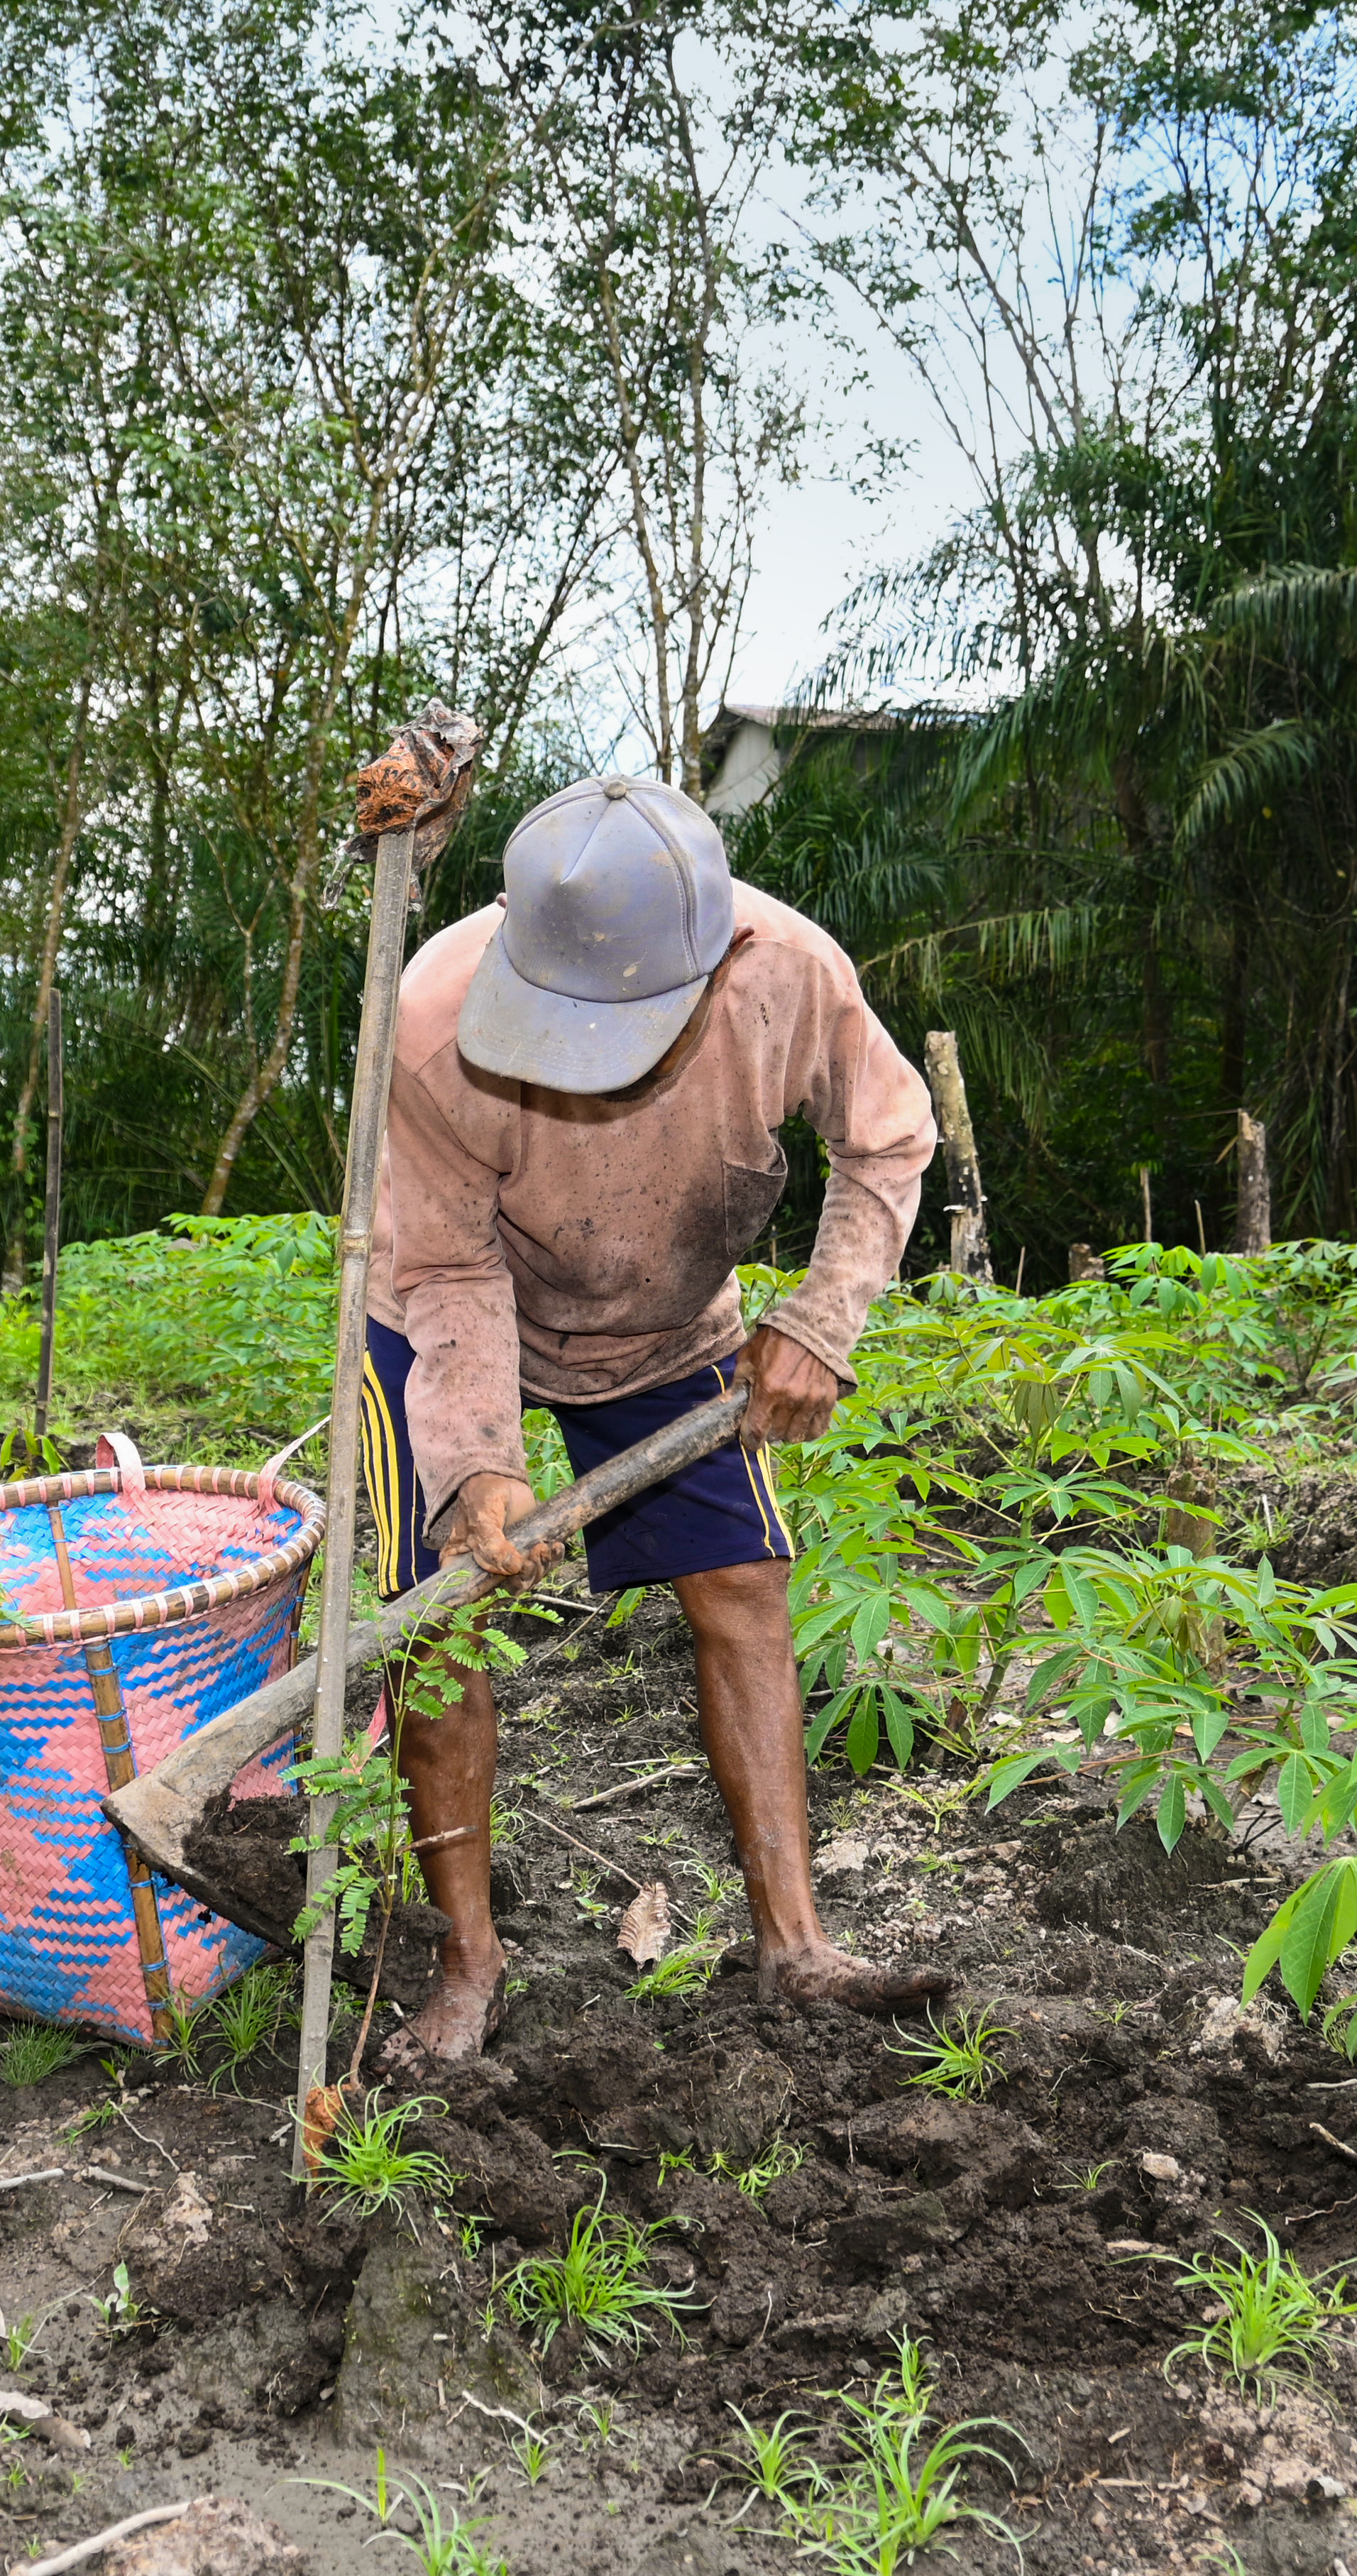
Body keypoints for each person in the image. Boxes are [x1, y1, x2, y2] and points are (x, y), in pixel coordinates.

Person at [363, 770, 951, 2067]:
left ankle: (792, 1943)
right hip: (446, 1313)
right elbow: (451, 1271)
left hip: (672, 1321)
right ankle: (469, 1964)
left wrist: (820, 1319)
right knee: (444, 1624)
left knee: (742, 1586)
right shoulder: (430, 1024)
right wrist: (477, 1470)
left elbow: (889, 1140)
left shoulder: (791, 973)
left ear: (719, 953)